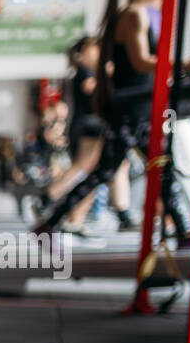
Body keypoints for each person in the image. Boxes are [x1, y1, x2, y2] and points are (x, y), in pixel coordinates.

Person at [35, 0, 190, 243]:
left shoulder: (152, 13)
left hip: (141, 104)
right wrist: (185, 63)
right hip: (132, 107)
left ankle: (49, 223)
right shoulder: (134, 14)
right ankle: (186, 231)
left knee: (112, 170)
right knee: (149, 167)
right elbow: (141, 63)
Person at [45, 36, 135, 236]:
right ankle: (49, 202)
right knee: (88, 168)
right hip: (89, 125)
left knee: (95, 171)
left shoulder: (84, 70)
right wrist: (109, 74)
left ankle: (71, 216)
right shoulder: (86, 70)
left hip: (90, 124)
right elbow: (91, 88)